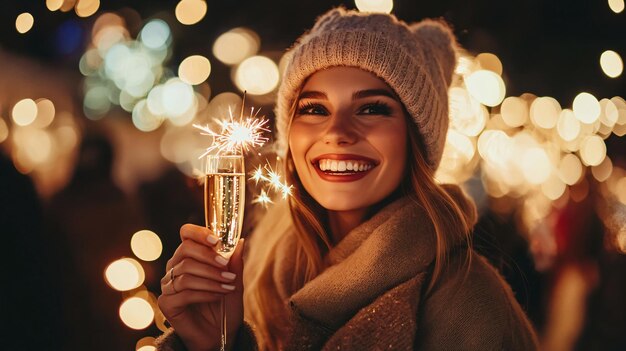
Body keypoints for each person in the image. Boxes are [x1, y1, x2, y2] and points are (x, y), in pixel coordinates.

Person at [156, 7, 539, 351]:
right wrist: (212, 345)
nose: (337, 131)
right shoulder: (263, 271)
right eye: (315, 109)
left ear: (416, 140)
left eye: (372, 108)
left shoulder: (466, 303)